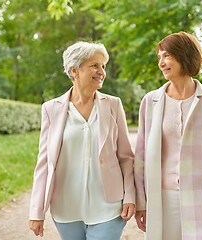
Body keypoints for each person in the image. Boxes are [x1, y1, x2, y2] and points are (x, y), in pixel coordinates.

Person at [134, 31, 202, 240]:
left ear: (184, 55)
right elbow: (141, 156)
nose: (161, 63)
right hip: (162, 198)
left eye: (167, 56)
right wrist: (141, 202)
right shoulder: (150, 101)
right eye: (159, 57)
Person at [28, 41, 135, 240]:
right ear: (74, 70)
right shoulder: (51, 109)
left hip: (109, 207)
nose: (101, 71)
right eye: (94, 65)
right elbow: (44, 163)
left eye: (103, 66)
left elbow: (126, 157)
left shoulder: (113, 105)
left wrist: (130, 196)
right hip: (66, 207)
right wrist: (37, 212)